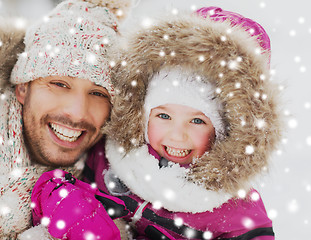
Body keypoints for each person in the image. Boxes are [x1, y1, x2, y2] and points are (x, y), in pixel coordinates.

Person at [84, 6, 282, 239]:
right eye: (164, 116)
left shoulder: (237, 214)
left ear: (228, 133)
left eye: (197, 120)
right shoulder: (110, 159)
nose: (177, 135)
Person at [0, 0, 133, 238]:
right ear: (22, 88)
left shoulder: (118, 191)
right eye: (59, 84)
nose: (77, 112)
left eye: (98, 93)